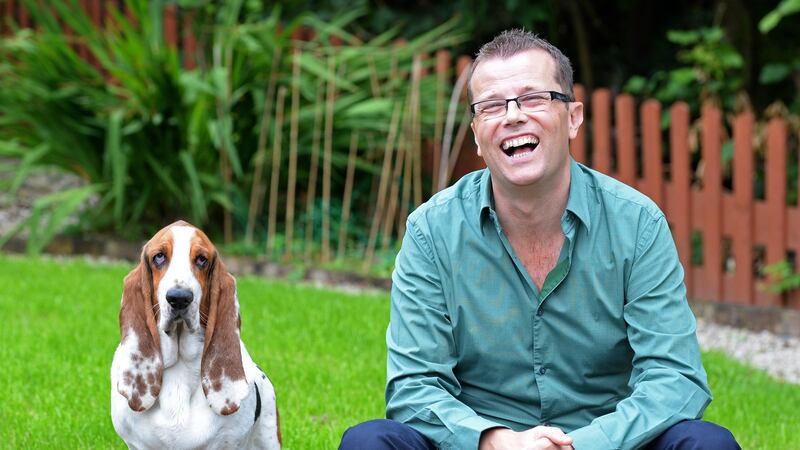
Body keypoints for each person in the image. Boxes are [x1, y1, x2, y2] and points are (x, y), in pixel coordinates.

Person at [339, 29, 740, 450]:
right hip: (484, 447)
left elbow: (675, 379)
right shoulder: (432, 232)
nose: (513, 116)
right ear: (476, 133)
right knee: (369, 442)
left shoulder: (637, 225)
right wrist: (495, 441)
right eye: (492, 105)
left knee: (707, 443)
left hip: (607, 443)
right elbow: (414, 386)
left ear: (573, 117)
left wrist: (582, 445)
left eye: (533, 98)